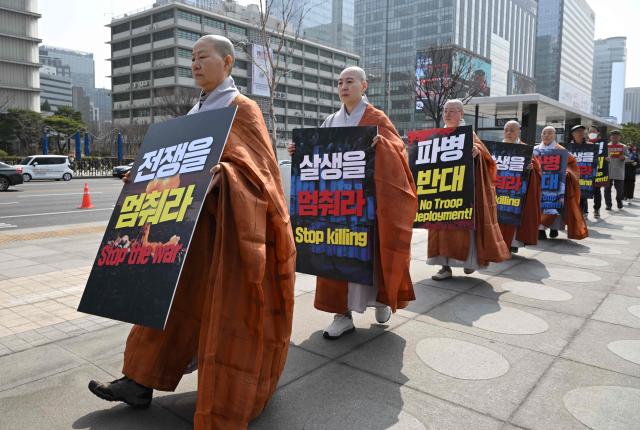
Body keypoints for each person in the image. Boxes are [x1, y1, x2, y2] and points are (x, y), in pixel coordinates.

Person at [87, 35, 296, 429]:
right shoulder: (195, 110)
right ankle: (138, 381)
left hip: (227, 234)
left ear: (228, 62)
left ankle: (224, 399)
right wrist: (145, 178)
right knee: (161, 302)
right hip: (187, 232)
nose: (196, 64)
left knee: (226, 313)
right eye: (193, 58)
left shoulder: (243, 109)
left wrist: (228, 176)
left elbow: (263, 177)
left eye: (204, 57)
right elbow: (180, 169)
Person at [288, 66, 418, 339]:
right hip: (337, 205)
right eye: (339, 82)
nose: (343, 86)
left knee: (372, 257)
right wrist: (300, 150)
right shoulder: (331, 121)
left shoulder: (376, 118)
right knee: (334, 255)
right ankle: (341, 314)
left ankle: (382, 301)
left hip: (368, 205)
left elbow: (399, 152)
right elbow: (319, 153)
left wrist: (382, 146)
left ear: (364, 86)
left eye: (350, 81)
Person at [429, 99, 510, 280]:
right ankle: (445, 267)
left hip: (464, 192)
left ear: (461, 114)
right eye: (445, 111)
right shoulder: (436, 135)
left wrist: (477, 153)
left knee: (463, 230)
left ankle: (469, 263)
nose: (447, 114)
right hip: (441, 190)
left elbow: (487, 158)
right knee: (441, 229)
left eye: (452, 111)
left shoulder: (469, 135)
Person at [536, 126, 588, 240]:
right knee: (540, 206)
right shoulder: (535, 149)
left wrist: (567, 172)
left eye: (549, 133)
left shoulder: (561, 150)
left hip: (555, 183)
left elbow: (572, 165)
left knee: (554, 206)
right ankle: (540, 230)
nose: (546, 135)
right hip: (539, 183)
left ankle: (554, 228)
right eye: (544, 133)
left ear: (554, 135)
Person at [498, 120, 541, 253]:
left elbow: (537, 169)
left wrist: (532, 168)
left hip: (516, 192)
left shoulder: (525, 149)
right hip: (498, 189)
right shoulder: (497, 147)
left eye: (512, 130)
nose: (509, 133)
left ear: (518, 132)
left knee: (512, 217)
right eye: (506, 130)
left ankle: (511, 244)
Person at [568, 125, 590, 219]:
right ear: (573, 134)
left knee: (583, 194)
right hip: (571, 175)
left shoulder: (590, 146)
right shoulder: (568, 146)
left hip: (585, 175)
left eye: (582, 131)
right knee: (571, 195)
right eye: (578, 132)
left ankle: (582, 213)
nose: (580, 133)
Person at [605, 130, 629, 210]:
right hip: (608, 171)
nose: (615, 137)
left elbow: (629, 157)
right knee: (607, 189)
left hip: (619, 171)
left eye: (617, 136)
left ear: (620, 137)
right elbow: (600, 156)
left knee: (619, 190)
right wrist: (605, 158)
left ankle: (619, 201)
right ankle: (608, 205)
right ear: (610, 137)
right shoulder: (606, 146)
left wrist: (624, 158)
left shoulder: (624, 146)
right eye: (613, 136)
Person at [588, 126, 604, 218]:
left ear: (598, 132)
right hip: (586, 171)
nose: (592, 133)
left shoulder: (603, 144)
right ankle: (584, 211)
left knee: (597, 191)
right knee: (583, 191)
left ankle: (596, 209)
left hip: (598, 172)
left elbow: (607, 155)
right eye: (590, 131)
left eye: (594, 131)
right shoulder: (584, 143)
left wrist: (607, 159)